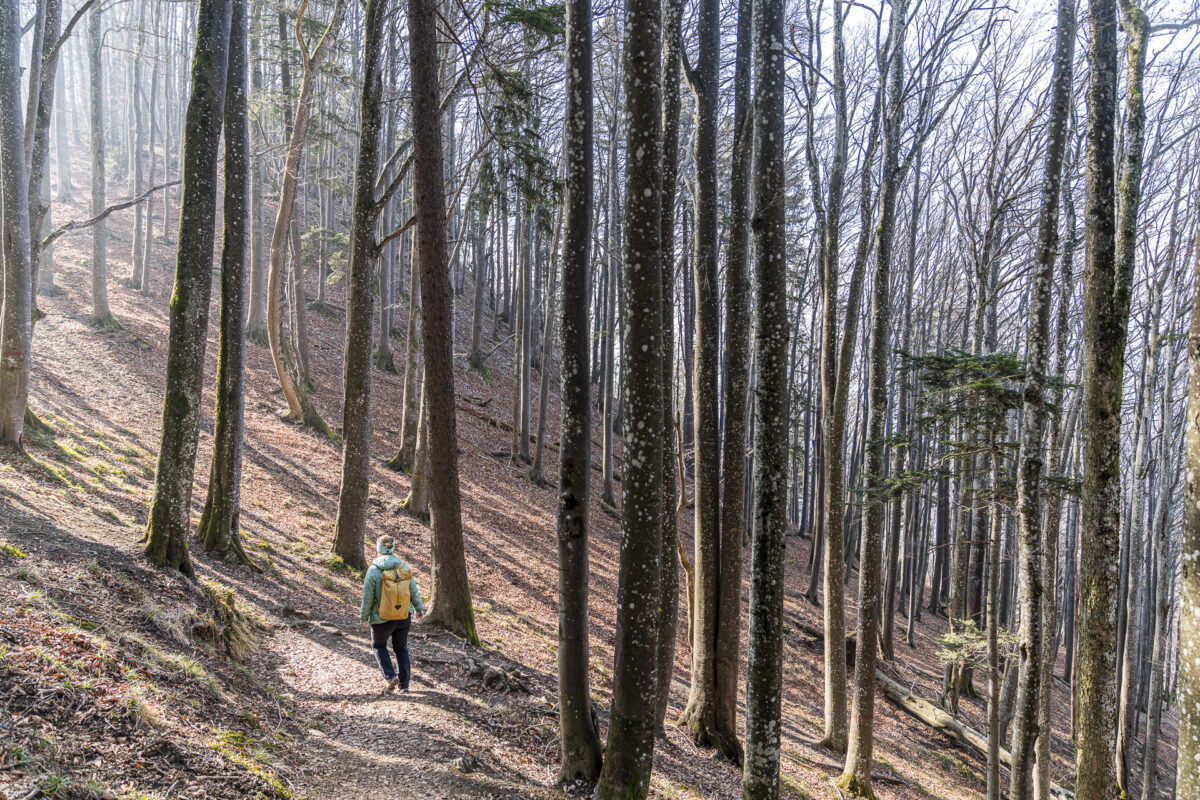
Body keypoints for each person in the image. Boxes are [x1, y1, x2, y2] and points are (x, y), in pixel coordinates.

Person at [360, 534, 425, 693]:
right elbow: (413, 591)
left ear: (378, 548)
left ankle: (390, 676)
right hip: (403, 616)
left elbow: (367, 596)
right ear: (393, 548)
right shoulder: (404, 567)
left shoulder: (374, 570)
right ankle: (404, 685)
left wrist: (364, 617)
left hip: (381, 619)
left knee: (378, 645)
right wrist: (419, 609)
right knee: (401, 647)